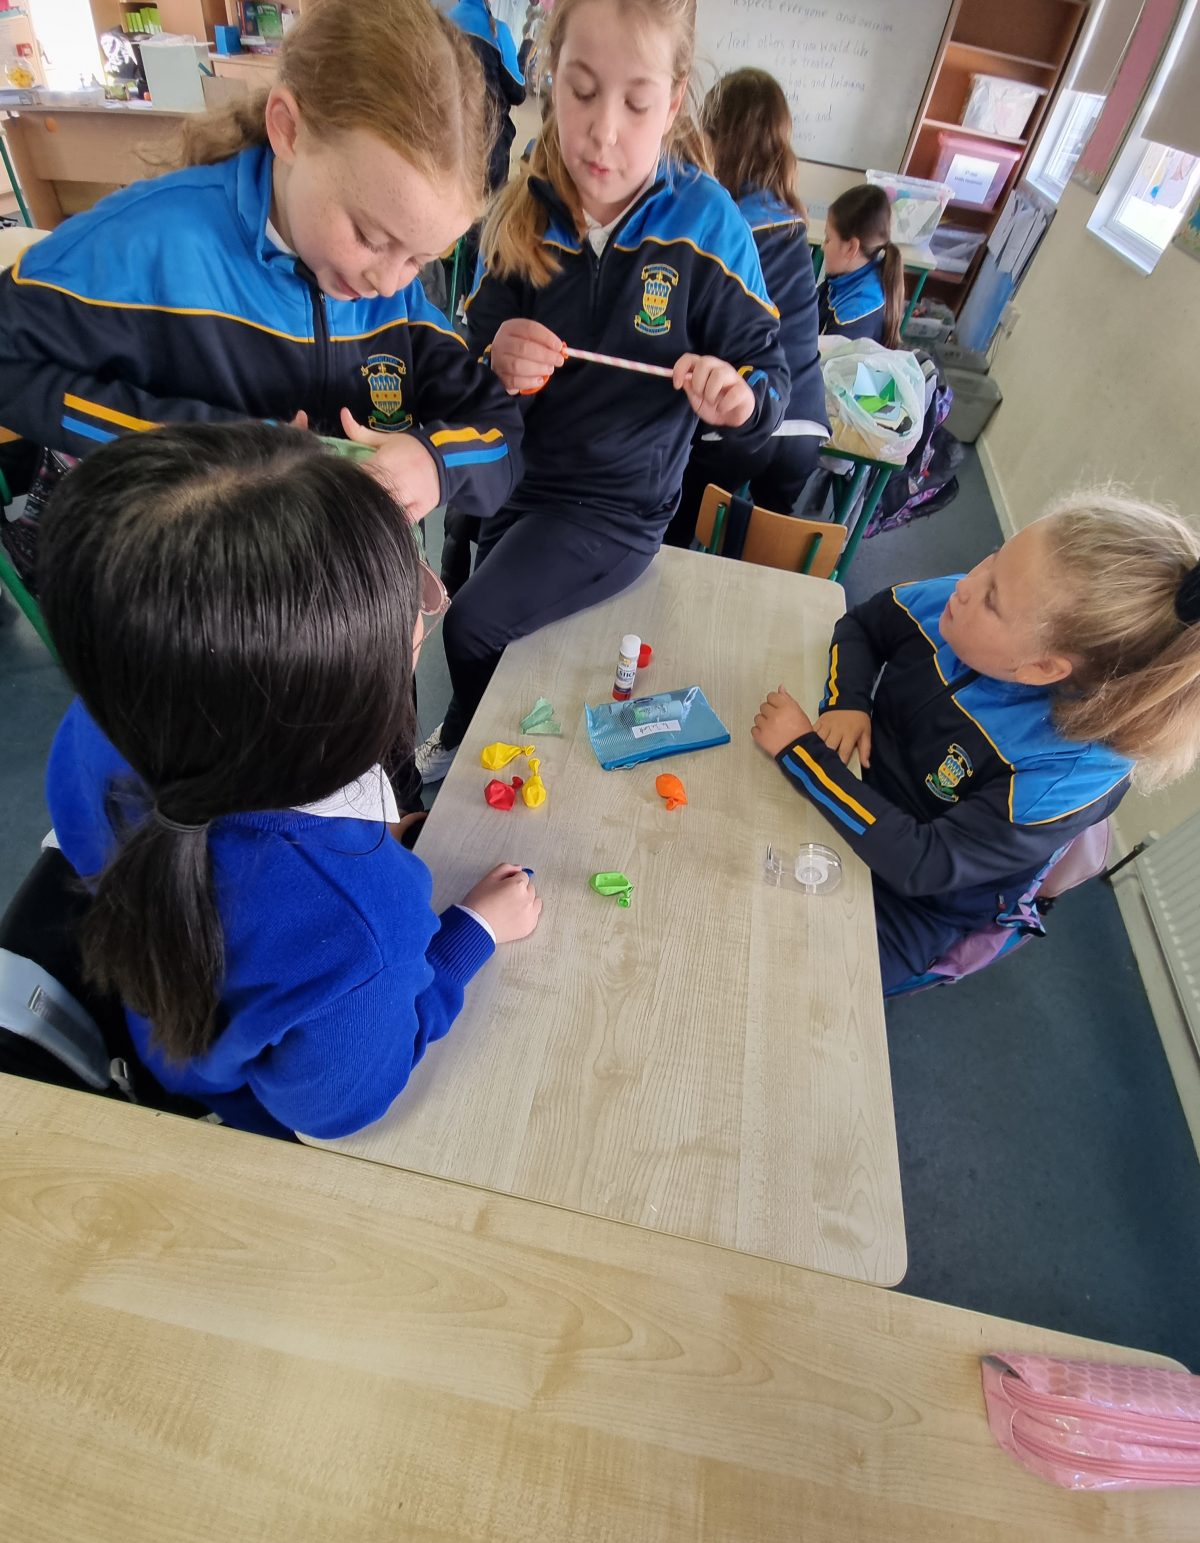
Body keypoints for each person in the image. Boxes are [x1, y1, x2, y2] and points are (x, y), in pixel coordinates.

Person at [40, 424, 542, 1140]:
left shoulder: (102, 719)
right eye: (414, 607)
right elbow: (335, 1109)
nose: (425, 608)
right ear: (335, 710)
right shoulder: (360, 928)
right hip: (246, 1107)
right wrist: (469, 935)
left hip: (164, 1019)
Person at [0, 0, 523, 602]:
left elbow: (501, 434)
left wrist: (434, 464)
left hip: (342, 604)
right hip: (199, 600)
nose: (388, 282)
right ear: (289, 129)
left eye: (421, 258)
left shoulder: (398, 302)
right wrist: (198, 442)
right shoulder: (151, 244)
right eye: (369, 237)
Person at [418, 0, 789, 782]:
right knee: (485, 616)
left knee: (471, 626)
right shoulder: (523, 205)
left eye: (637, 103)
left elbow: (768, 378)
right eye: (582, 91)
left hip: (615, 505)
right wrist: (493, 360)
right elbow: (464, 371)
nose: (603, 131)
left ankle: (467, 752)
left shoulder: (706, 223)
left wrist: (741, 401)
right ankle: (470, 730)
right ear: (551, 77)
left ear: (674, 102)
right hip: (517, 480)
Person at [751, 492, 1200, 994]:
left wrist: (804, 756)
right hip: (857, 788)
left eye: (992, 599)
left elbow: (922, 863)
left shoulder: (1065, 773)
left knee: (796, 985)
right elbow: (863, 625)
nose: (967, 584)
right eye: (993, 559)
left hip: (913, 902)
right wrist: (846, 702)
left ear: (1041, 667)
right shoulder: (961, 608)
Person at [663, 66, 827, 547]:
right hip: (804, 421)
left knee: (677, 530)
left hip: (736, 416)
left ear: (714, 136)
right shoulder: (793, 222)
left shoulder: (720, 223)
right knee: (769, 546)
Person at [449, 0, 527, 197]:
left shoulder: (442, 22)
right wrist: (523, 56)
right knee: (489, 208)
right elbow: (517, 92)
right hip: (490, 145)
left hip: (449, 135)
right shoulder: (498, 32)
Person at [818, 182, 903, 347]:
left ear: (851, 248)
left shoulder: (854, 315)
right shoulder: (847, 276)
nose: (823, 246)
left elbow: (822, 360)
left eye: (828, 239)